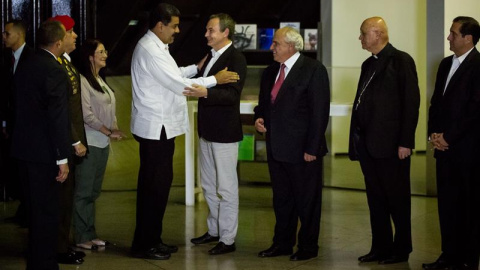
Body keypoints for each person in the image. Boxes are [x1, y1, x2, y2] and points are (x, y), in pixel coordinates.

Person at [130, 3, 239, 260]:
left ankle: (152, 239)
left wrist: (196, 67)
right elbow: (178, 85)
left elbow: (174, 73)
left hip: (161, 128)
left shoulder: (158, 47)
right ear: (160, 25)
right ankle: (145, 245)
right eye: (174, 25)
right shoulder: (150, 49)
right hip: (156, 128)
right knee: (153, 188)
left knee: (157, 187)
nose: (177, 30)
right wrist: (214, 79)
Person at [254, 26, 330, 261]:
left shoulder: (313, 69)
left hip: (303, 151)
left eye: (275, 43)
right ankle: (282, 243)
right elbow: (264, 105)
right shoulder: (269, 72)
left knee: (307, 202)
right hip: (276, 149)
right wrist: (260, 118)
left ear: (290, 45)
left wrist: (312, 148)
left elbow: (319, 112)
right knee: (282, 200)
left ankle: (308, 247)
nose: (271, 47)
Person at [348, 17, 420, 264]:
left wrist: (406, 142)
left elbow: (411, 104)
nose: (360, 38)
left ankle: (400, 250)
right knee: (376, 200)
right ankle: (380, 247)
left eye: (363, 34)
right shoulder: (368, 63)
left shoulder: (401, 60)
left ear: (377, 34)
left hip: (392, 147)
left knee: (397, 200)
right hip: (369, 146)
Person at [11, 20, 70, 270]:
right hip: (45, 154)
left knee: (34, 212)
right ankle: (44, 265)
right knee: (47, 213)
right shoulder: (54, 70)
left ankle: (35, 262)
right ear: (58, 43)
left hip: (23, 149)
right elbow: (56, 116)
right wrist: (62, 158)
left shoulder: (25, 64)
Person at [186, 13, 247, 255]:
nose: (206, 34)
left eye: (211, 30)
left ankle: (228, 239)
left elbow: (233, 95)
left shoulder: (236, 58)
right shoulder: (210, 57)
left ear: (225, 33)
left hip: (225, 133)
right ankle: (214, 230)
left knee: (227, 187)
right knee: (210, 186)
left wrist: (205, 93)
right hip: (207, 131)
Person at [424, 16, 480, 270]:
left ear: (468, 38)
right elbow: (437, 103)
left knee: (468, 207)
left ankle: (468, 260)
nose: (449, 37)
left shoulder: (478, 65)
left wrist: (449, 136)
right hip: (443, 149)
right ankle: (448, 256)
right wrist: (435, 134)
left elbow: (474, 110)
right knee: (446, 205)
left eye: (453, 34)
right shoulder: (446, 64)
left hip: (468, 151)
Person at [73, 38, 124, 251]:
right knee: (83, 192)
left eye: (105, 51)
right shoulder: (83, 80)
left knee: (93, 192)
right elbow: (87, 115)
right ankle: (81, 235)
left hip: (102, 143)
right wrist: (108, 131)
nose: (105, 55)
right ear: (90, 56)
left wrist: (114, 128)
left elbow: (109, 109)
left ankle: (90, 233)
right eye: (101, 52)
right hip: (90, 142)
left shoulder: (100, 80)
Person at [48, 15, 88, 265]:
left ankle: (64, 243)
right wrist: (75, 140)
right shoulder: (55, 65)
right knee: (59, 200)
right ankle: (58, 247)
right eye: (71, 32)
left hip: (70, 138)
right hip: (62, 141)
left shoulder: (67, 61)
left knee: (67, 198)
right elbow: (60, 110)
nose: (74, 36)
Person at [1, 19, 33, 223]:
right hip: (13, 125)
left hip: (28, 126)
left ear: (19, 35)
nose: (4, 37)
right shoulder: (6, 58)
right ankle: (23, 207)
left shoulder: (32, 59)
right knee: (15, 168)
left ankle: (28, 210)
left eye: (7, 33)